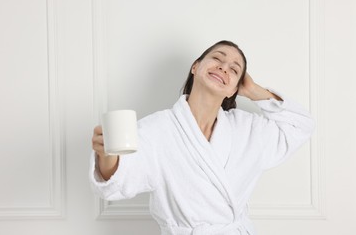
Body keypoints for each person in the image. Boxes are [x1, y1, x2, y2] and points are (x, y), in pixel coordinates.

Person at [90, 40, 315, 235]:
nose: (223, 67)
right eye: (217, 58)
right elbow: (117, 182)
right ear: (195, 67)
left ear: (233, 90)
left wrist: (254, 90)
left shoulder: (247, 129)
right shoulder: (158, 129)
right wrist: (106, 154)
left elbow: (301, 126)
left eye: (234, 70)